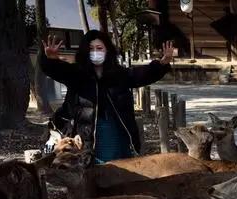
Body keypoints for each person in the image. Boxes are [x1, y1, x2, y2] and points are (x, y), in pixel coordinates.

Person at [41, 30, 173, 163]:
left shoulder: (119, 74)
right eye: (91, 49)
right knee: (92, 169)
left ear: (107, 50)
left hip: (116, 129)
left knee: (118, 168)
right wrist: (51, 60)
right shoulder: (77, 74)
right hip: (87, 132)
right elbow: (58, 71)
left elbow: (143, 74)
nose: (95, 52)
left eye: (99, 48)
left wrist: (162, 63)